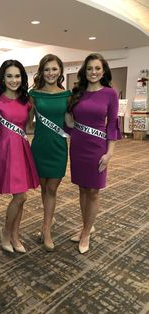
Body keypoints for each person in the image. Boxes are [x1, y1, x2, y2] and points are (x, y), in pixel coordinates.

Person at [66, 53, 121, 254]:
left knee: (94, 191)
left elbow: (113, 124)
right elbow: (70, 122)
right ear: (84, 71)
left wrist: (110, 153)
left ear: (104, 71)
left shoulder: (110, 93)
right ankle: (86, 226)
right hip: (78, 147)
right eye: (89, 68)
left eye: (97, 68)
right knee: (82, 189)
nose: (93, 72)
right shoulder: (78, 93)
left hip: (97, 148)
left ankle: (87, 232)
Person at [0, 60, 39, 253]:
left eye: (17, 76)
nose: (14, 80)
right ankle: (7, 233)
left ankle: (14, 235)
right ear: (2, 78)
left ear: (22, 78)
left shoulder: (27, 101)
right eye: (9, 76)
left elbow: (29, 128)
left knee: (21, 196)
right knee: (20, 196)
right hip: (6, 149)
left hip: (22, 149)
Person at [29, 54, 71, 251]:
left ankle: (46, 231)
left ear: (60, 71)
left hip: (58, 147)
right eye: (47, 69)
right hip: (39, 146)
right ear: (41, 72)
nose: (50, 73)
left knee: (52, 189)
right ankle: (46, 223)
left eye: (54, 69)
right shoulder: (34, 94)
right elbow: (27, 122)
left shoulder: (67, 95)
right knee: (43, 189)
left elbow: (70, 122)